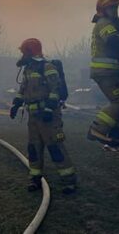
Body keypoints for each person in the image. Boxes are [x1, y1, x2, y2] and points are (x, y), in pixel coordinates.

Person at [10, 38, 77, 194]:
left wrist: (49, 109)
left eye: (24, 52)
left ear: (30, 52)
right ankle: (35, 179)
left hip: (49, 116)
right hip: (33, 116)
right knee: (34, 148)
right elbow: (23, 89)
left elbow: (56, 89)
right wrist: (16, 103)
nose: (23, 55)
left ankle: (69, 182)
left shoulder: (47, 67)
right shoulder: (28, 69)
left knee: (55, 147)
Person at [87, 0, 119, 148]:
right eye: (111, 7)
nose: (114, 10)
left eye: (115, 7)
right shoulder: (104, 23)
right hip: (105, 73)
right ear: (102, 10)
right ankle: (97, 129)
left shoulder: (113, 23)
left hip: (110, 73)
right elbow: (114, 42)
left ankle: (117, 135)